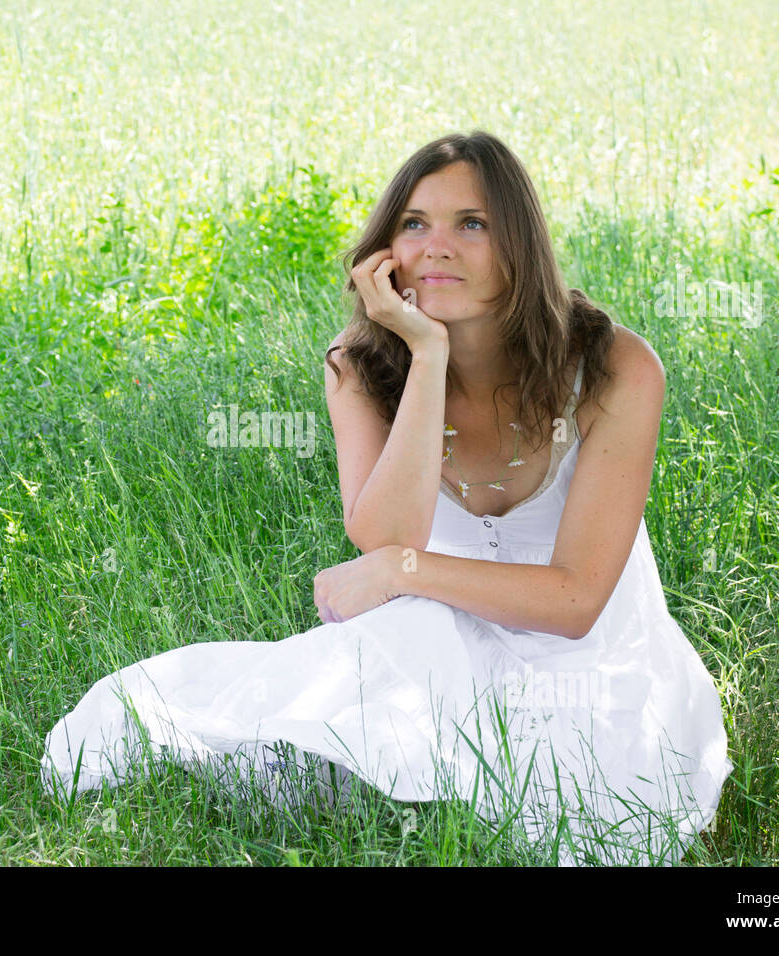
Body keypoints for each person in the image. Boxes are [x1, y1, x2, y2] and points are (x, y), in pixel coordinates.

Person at [40, 130, 733, 866]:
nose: (436, 247)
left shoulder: (613, 367)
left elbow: (575, 604)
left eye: (472, 224)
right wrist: (427, 355)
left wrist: (404, 574)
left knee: (573, 781)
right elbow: (388, 535)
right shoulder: (361, 366)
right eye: (414, 224)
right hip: (445, 634)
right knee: (376, 668)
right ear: (386, 254)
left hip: (596, 658)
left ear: (519, 244)